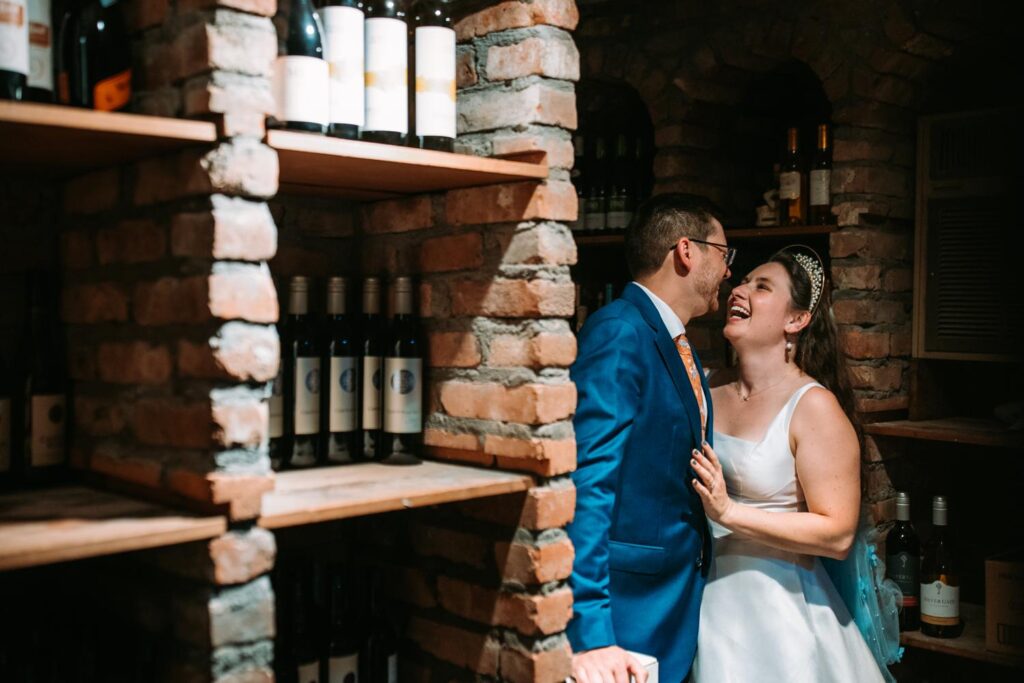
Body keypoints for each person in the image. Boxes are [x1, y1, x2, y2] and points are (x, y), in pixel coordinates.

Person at [689, 248, 887, 682]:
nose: (739, 290)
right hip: (702, 600)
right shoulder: (705, 387)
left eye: (761, 287)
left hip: (779, 613)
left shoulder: (812, 406)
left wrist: (729, 513)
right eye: (743, 281)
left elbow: (837, 534)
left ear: (796, 320)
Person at [567, 194, 732, 683]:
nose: (728, 271)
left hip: (674, 594)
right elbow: (588, 481)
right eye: (724, 253)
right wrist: (592, 630)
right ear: (687, 250)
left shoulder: (674, 338)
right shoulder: (620, 332)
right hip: (628, 607)